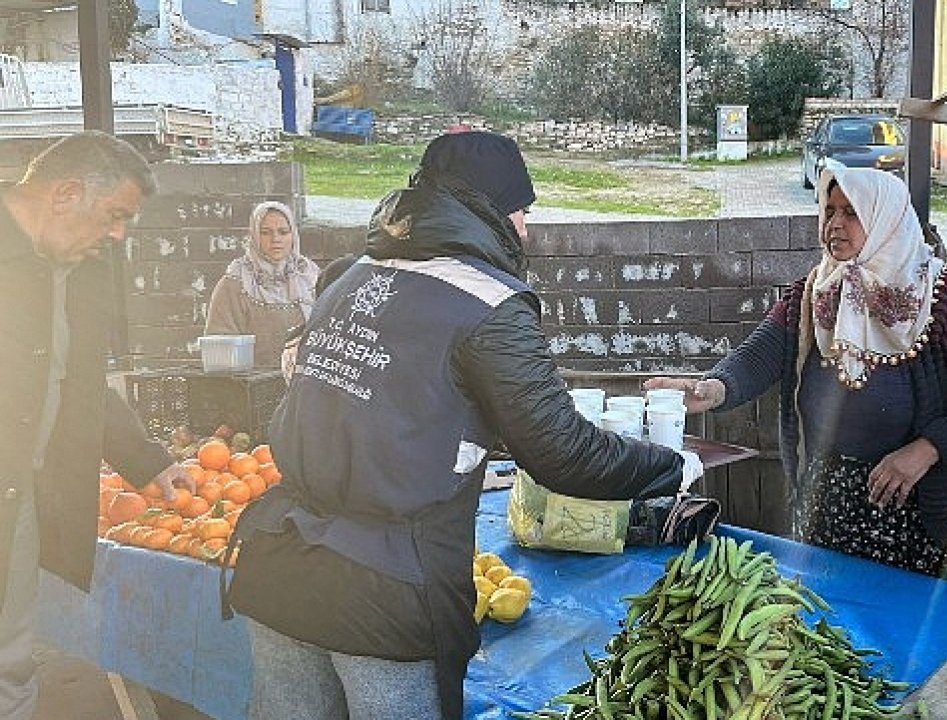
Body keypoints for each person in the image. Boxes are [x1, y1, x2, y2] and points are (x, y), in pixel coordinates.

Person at [225, 130, 704, 720]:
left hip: (278, 564)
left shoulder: (352, 276)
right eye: (521, 209)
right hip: (385, 591)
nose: (526, 228)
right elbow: (564, 454)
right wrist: (671, 465)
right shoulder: (488, 301)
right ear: (490, 209)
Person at [646, 166, 947, 588]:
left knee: (923, 638)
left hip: (923, 510)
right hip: (833, 503)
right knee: (833, 628)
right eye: (829, 211)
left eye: (851, 212)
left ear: (885, 218)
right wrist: (713, 388)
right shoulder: (814, 292)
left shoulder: (938, 297)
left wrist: (927, 449)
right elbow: (760, 355)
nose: (835, 224)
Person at [0, 131, 195, 718]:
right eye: (115, 216)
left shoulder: (83, 268)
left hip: (21, 500)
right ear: (65, 195)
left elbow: (81, 382)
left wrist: (148, 458)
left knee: (12, 660)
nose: (118, 234)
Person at [205, 200, 320, 367]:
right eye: (266, 232)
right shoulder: (236, 283)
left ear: (293, 235)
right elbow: (219, 346)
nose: (276, 239)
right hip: (253, 385)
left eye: (283, 232)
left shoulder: (310, 276)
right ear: (254, 236)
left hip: (305, 382)